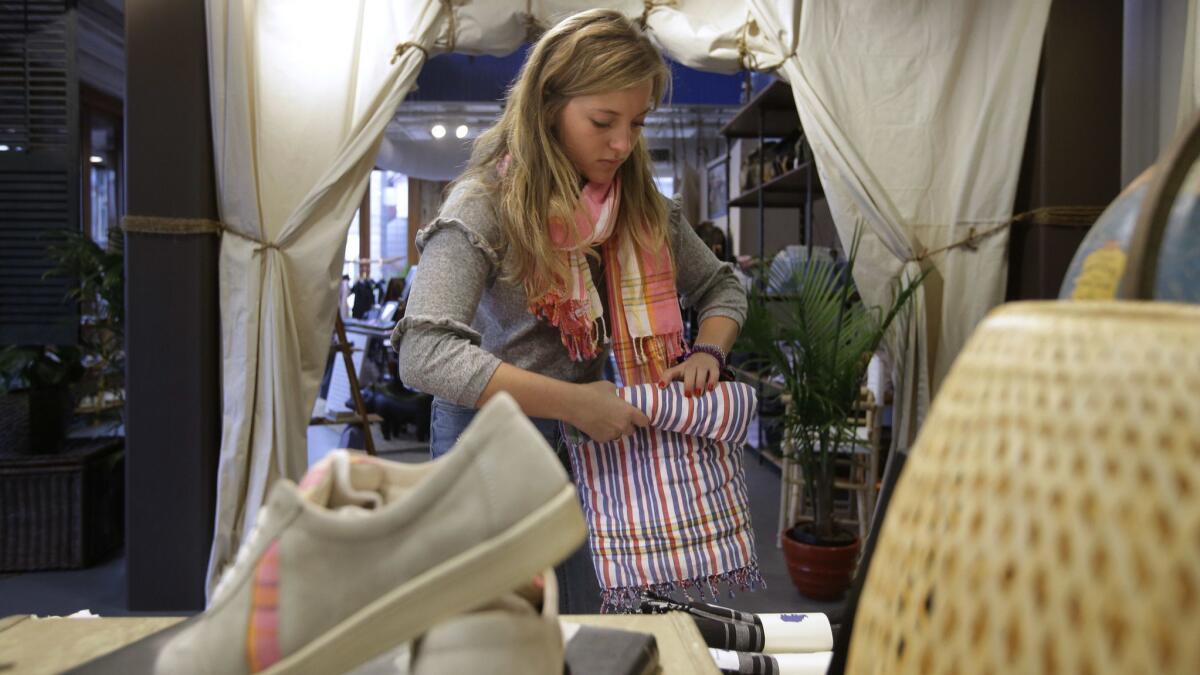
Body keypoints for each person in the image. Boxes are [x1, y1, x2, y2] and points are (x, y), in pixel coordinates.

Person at [391, 9, 747, 612]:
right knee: (490, 626)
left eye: (636, 123)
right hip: (490, 441)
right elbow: (422, 355)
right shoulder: (484, 206)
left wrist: (709, 350)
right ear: (546, 107)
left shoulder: (641, 210)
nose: (622, 144)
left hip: (591, 444)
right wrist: (576, 401)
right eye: (603, 121)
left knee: (587, 619)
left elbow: (723, 288)